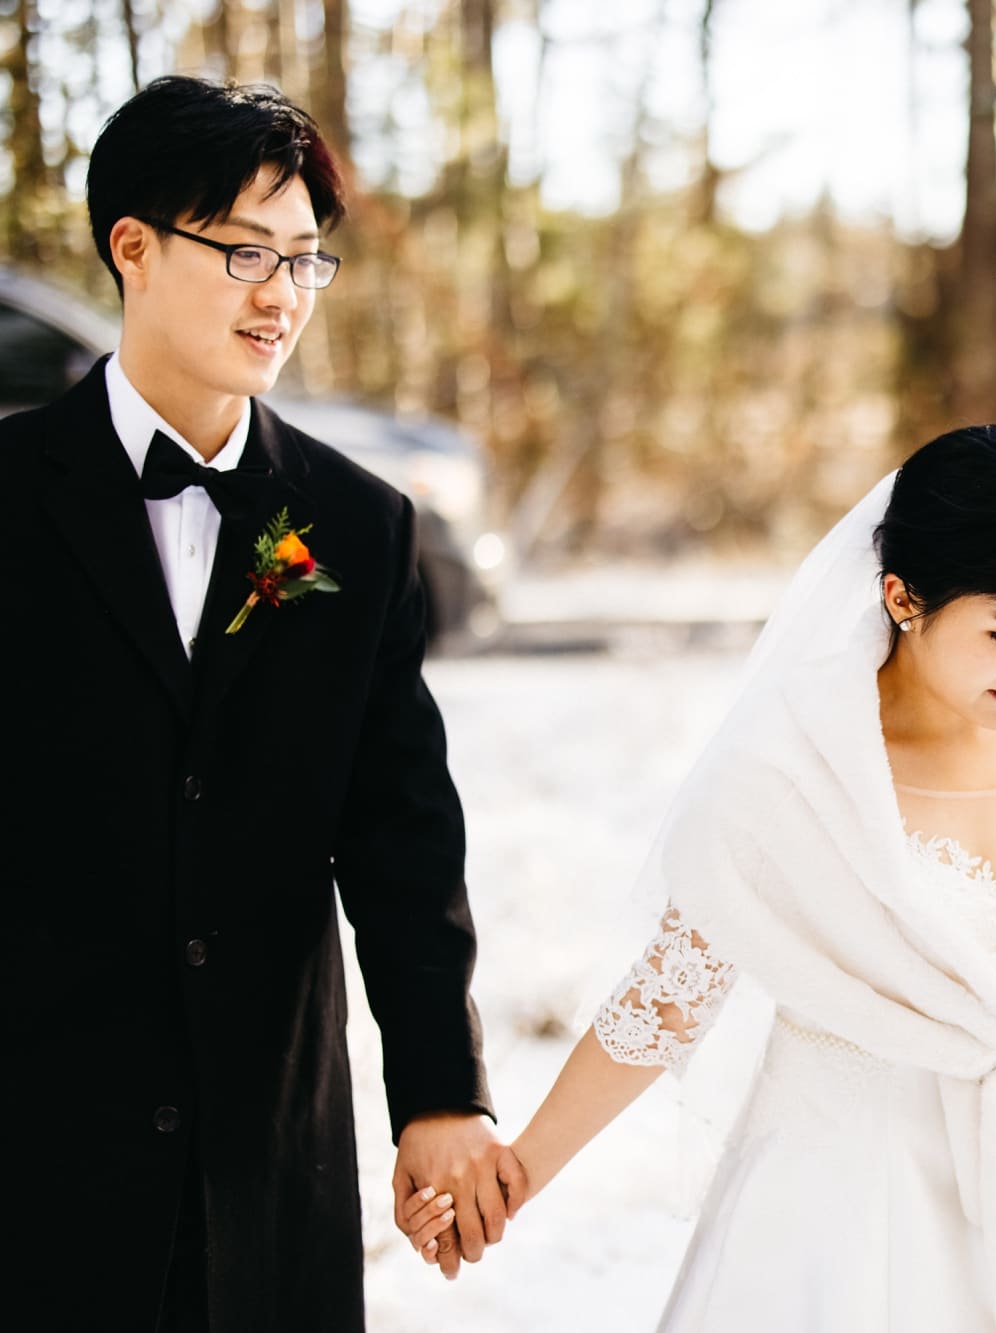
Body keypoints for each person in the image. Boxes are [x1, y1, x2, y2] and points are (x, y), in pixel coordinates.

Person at [406, 426, 996, 1330]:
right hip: (843, 1221)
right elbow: (670, 996)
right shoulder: (794, 769)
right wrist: (519, 1173)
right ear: (903, 597)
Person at [0, 76, 518, 1330]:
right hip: (36, 1148)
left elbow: (399, 834)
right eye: (242, 251)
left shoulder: (358, 525)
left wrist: (440, 1092)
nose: (279, 293)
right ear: (132, 247)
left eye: (303, 259)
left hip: (266, 1156)